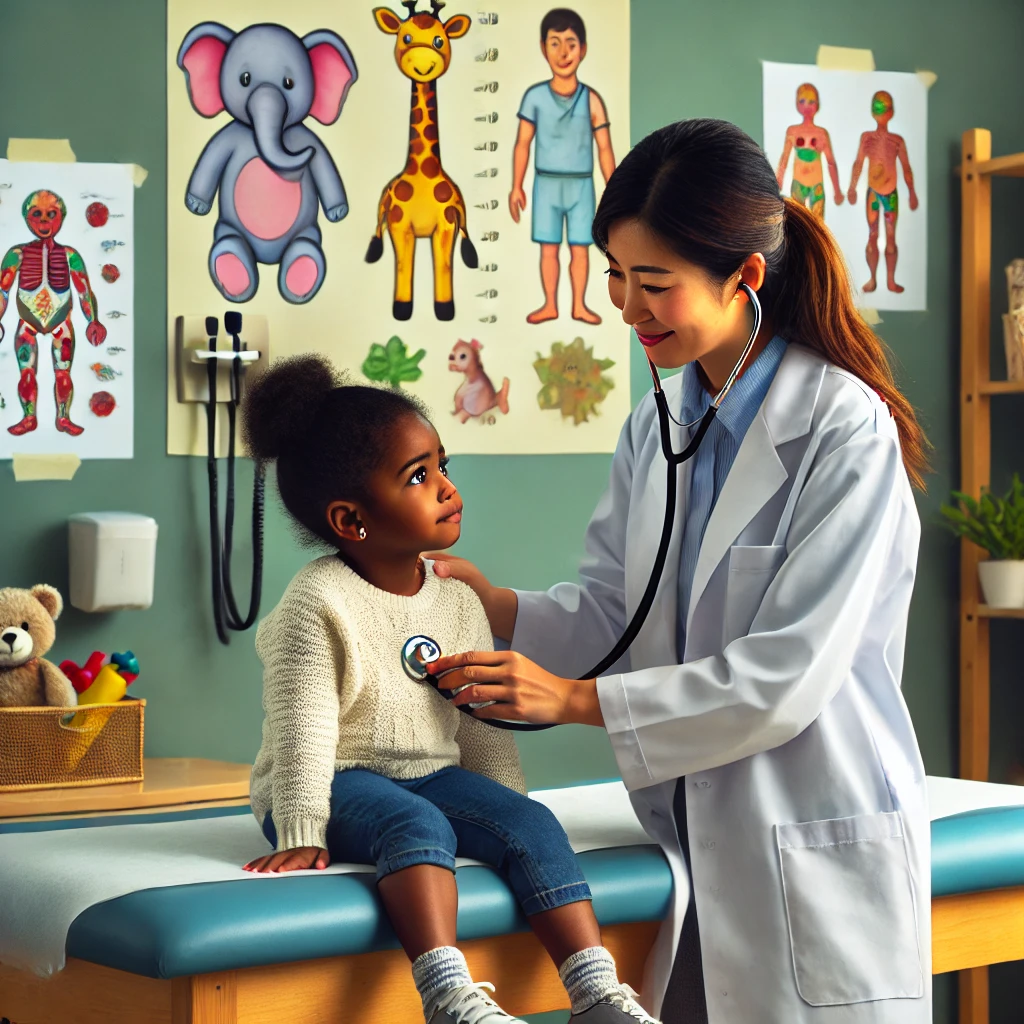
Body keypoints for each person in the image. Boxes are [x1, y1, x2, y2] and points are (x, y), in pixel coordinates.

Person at [428, 119, 933, 1024]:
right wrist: (494, 605)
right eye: (616, 276)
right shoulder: (658, 422)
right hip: (688, 849)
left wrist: (577, 702)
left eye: (654, 283)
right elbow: (620, 610)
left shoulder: (843, 430)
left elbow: (787, 675)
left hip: (808, 842)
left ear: (746, 275)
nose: (628, 307)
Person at [238, 355, 661, 1024]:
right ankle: (448, 996)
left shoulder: (459, 598)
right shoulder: (316, 603)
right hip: (336, 779)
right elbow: (302, 726)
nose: (446, 488)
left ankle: (598, 994)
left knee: (534, 822)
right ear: (352, 521)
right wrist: (300, 825)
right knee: (416, 824)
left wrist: (506, 810)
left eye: (442, 466)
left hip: (431, 773)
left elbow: (479, 719)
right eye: (418, 476)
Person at [510, 7, 616, 325]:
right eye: (554, 42)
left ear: (582, 49)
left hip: (581, 185)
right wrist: (516, 185)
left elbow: (605, 147)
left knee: (580, 249)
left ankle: (579, 305)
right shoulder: (535, 97)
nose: (563, 51)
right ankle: (550, 304)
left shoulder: (592, 99)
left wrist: (614, 189)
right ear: (544, 48)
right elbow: (523, 143)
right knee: (548, 249)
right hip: (546, 184)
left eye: (571, 42)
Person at [848, 90, 919, 293]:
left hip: (891, 194)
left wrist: (912, 192)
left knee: (891, 236)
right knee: (872, 235)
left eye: (885, 108)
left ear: (891, 112)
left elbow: (906, 167)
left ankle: (890, 280)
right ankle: (872, 279)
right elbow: (858, 163)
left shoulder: (897, 141)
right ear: (873, 112)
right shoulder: (867, 139)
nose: (882, 112)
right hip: (873, 193)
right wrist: (852, 187)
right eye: (878, 107)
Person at [775, 83, 843, 217]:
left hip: (816, 185)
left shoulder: (821, 134)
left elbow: (831, 162)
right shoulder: (793, 131)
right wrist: (779, 180)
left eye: (811, 102)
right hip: (798, 185)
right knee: (798, 223)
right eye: (802, 101)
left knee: (818, 226)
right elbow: (785, 158)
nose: (806, 106)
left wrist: (837, 190)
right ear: (797, 104)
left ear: (817, 104)